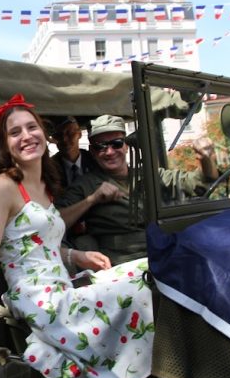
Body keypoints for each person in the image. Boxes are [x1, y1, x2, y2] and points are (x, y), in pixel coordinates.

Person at [0, 94, 154, 378]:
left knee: (147, 271)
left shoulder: (43, 185)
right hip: (38, 299)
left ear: (43, 132)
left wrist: (76, 257)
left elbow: (42, 243)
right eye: (14, 132)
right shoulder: (1, 188)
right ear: (5, 144)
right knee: (136, 288)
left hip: (63, 282)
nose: (26, 136)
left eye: (31, 127)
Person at [57, 114, 219, 265]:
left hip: (164, 252)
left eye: (117, 143)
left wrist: (207, 159)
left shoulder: (149, 175)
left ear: (126, 146)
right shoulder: (85, 185)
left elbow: (198, 185)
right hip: (121, 263)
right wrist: (92, 199)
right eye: (101, 146)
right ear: (92, 151)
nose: (109, 152)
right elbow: (54, 222)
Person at [49, 116, 96, 188]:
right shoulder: (50, 167)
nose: (64, 139)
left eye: (70, 133)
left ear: (79, 134)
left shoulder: (94, 160)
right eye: (59, 135)